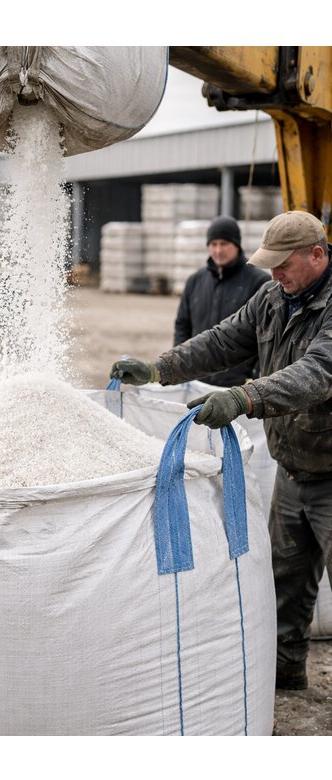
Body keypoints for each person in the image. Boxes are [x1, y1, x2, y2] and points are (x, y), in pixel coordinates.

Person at [110, 210, 332, 692]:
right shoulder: (275, 297)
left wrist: (245, 397)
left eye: (283, 265)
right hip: (295, 471)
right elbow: (224, 340)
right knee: (286, 586)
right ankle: (284, 681)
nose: (274, 275)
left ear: (317, 255)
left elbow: (317, 372)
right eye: (269, 265)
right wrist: (158, 370)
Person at [174, 215, 270, 386]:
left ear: (237, 244)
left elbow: (266, 335)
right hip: (197, 381)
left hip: (237, 386)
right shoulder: (195, 281)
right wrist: (181, 366)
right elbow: (183, 325)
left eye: (224, 244)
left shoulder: (259, 283)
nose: (218, 250)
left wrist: (254, 375)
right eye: (213, 244)